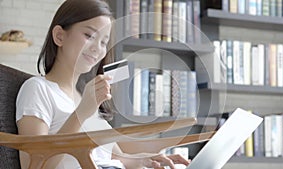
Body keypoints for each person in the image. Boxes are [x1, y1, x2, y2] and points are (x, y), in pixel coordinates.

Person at [16, 0, 190, 169]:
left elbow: (114, 157)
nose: (97, 49)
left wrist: (147, 160)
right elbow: (35, 165)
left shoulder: (85, 98)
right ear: (59, 36)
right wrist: (82, 112)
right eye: (89, 35)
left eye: (104, 42)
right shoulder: (38, 89)